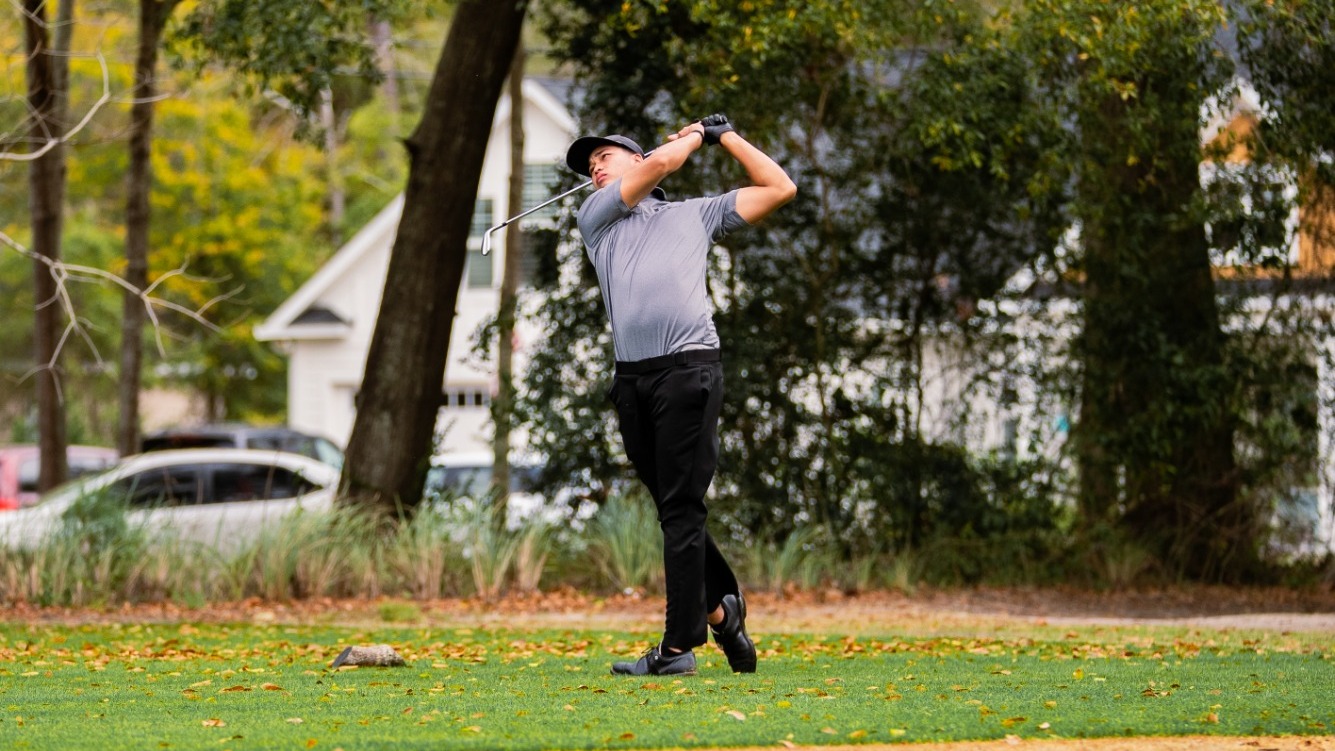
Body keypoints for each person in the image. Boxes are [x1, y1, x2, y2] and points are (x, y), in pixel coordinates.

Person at [564, 114, 796, 676]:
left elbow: (780, 187)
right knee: (675, 510)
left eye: (605, 156)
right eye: (589, 163)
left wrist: (727, 136)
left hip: (689, 371)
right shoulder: (597, 217)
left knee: (682, 508)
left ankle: (677, 649)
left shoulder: (695, 214)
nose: (594, 166)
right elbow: (666, 161)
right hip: (632, 382)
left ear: (636, 159)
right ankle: (721, 614)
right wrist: (695, 136)